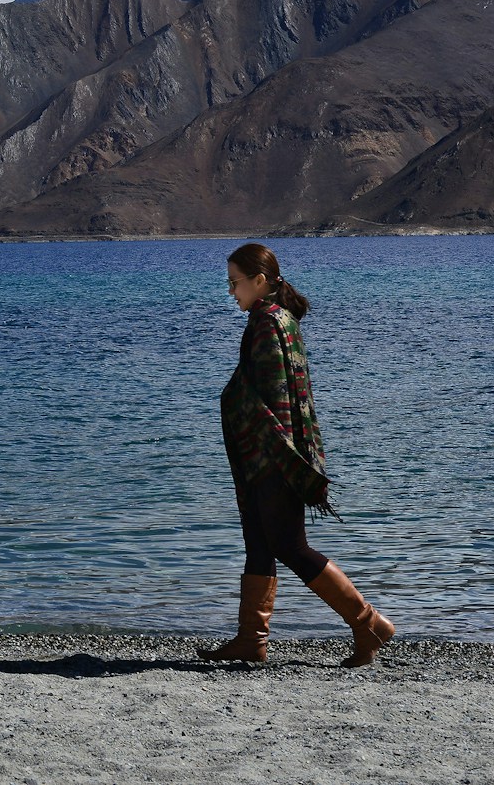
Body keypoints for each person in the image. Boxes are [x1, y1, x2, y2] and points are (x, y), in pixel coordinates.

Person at [196, 242, 396, 667]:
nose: (231, 292)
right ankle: (252, 640)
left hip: (272, 456)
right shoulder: (278, 319)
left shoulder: (269, 324)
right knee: (258, 544)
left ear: (260, 281)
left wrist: (257, 442)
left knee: (290, 546)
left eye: (236, 283)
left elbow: (273, 403)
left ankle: (368, 623)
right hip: (273, 455)